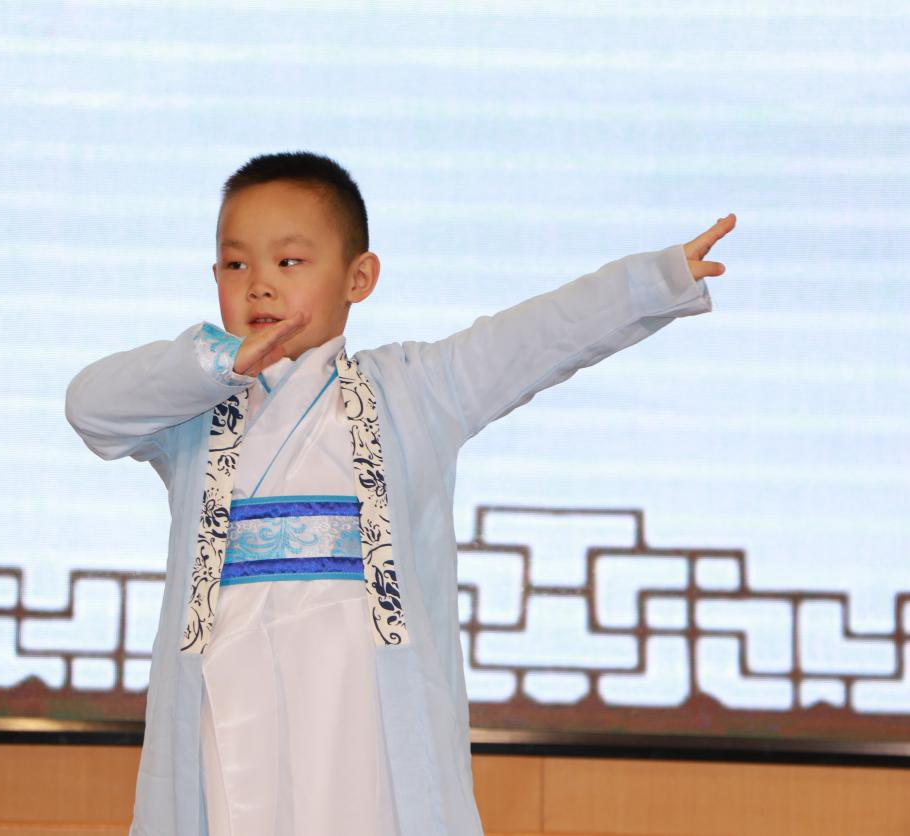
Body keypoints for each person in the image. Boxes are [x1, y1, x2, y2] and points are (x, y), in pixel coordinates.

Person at [65, 151, 736, 836]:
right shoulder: (195, 409)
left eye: (289, 262)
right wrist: (215, 361)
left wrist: (656, 281)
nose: (260, 286)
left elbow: (533, 339)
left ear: (359, 277)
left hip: (364, 720)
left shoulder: (412, 391)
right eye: (237, 265)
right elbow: (90, 407)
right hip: (226, 710)